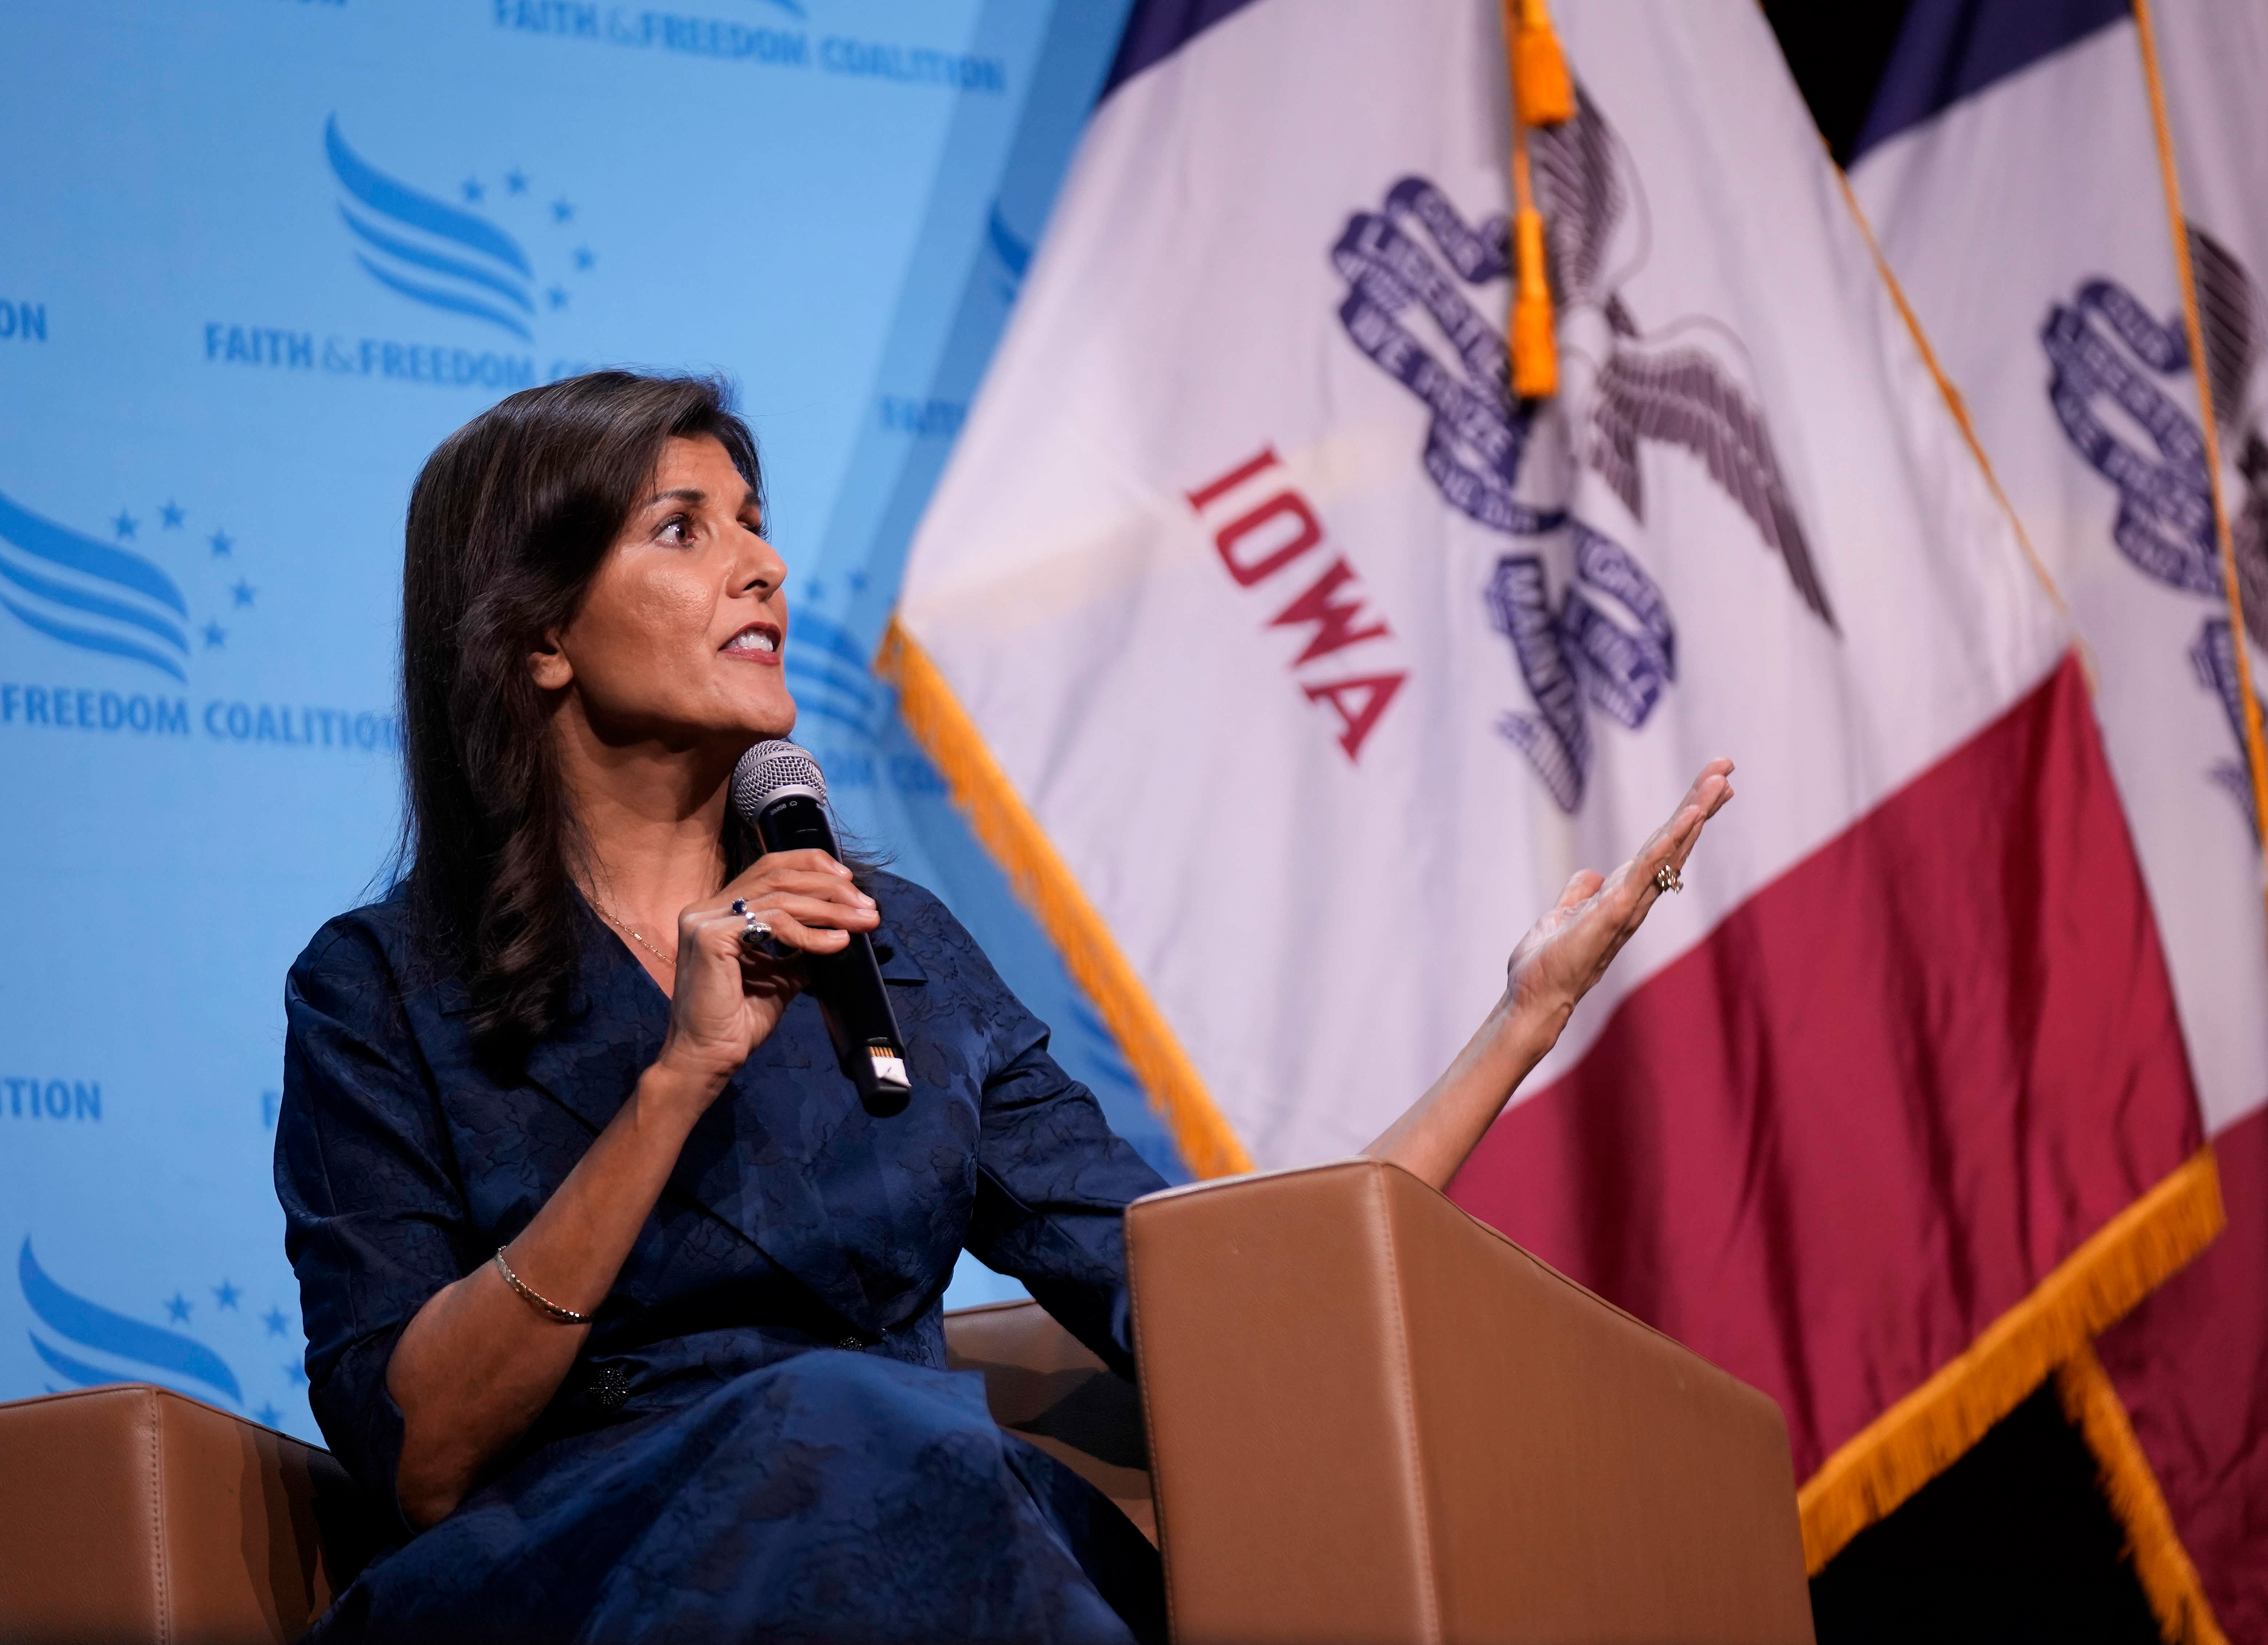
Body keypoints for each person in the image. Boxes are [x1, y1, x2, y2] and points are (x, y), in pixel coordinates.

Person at [275, 370, 1733, 1644]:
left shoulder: (893, 947)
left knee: (918, 1455)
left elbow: (1221, 1306)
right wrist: (676, 1084)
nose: (763, 566)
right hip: (578, 1571)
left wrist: (1521, 1022)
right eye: (685, 529)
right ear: (538, 635)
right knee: (846, 1421)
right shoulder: (382, 988)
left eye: (755, 520)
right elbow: (420, 1448)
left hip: (912, 1528)